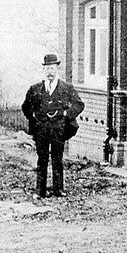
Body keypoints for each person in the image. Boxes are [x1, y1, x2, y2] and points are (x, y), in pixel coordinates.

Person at [21, 54, 84, 198]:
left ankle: (58, 189)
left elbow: (79, 104)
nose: (50, 72)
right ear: (44, 70)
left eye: (53, 68)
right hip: (41, 130)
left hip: (59, 129)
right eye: (47, 68)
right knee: (42, 159)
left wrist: (67, 113)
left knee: (57, 159)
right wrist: (34, 118)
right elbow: (26, 107)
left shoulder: (66, 88)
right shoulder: (35, 89)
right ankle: (40, 190)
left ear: (57, 69)